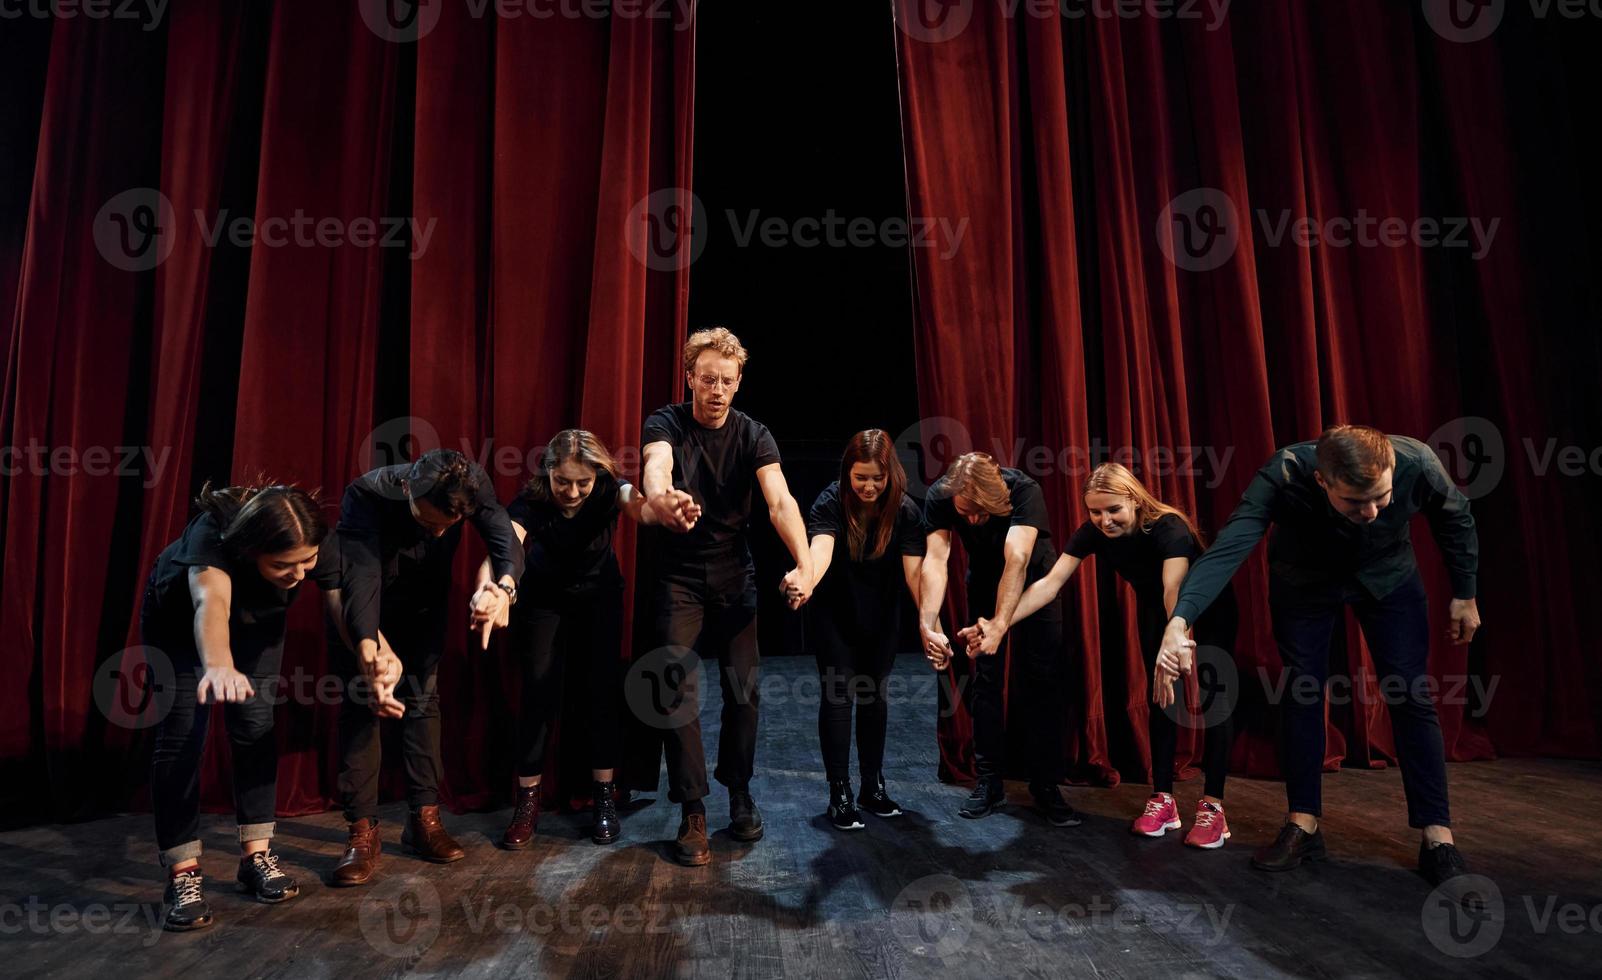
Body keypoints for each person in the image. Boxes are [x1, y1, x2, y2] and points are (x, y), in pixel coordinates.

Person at [1155, 425, 1481, 887]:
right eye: (1354, 502)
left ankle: (1438, 837)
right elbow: (1229, 549)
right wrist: (1179, 620)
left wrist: (1464, 593)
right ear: (1322, 482)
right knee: (1302, 691)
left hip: (1388, 577)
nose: (1370, 512)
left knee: (1410, 693)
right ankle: (1303, 824)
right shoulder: (1284, 473)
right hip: (1304, 581)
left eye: (1381, 498)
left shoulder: (1418, 461)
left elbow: (1456, 516)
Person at [964, 463, 1240, 847]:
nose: (1104, 520)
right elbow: (1049, 583)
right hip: (1155, 610)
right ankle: (1163, 798)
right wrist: (999, 623)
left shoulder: (1168, 527)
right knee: (1162, 698)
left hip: (1206, 607)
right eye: (1095, 511)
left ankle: (1213, 807)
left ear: (1134, 499)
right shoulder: (1092, 533)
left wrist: (1177, 640)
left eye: (1113, 510)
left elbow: (1174, 588)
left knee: (1214, 703)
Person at [637, 327, 813, 866]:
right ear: (690, 377)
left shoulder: (754, 435)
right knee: (674, 688)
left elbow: (779, 500)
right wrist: (662, 497)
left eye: (727, 382)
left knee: (744, 688)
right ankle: (693, 808)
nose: (716, 390)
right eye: (707, 379)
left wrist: (805, 564)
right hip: (679, 575)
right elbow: (656, 465)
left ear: (738, 385)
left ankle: (738, 789)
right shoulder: (666, 421)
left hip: (734, 572)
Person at [142, 483, 339, 931]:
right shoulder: (212, 537)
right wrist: (217, 665)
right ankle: (182, 873)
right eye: (283, 565)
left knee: (255, 725)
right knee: (182, 736)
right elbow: (210, 603)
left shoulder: (309, 542)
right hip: (177, 623)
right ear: (251, 551)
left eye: (306, 561)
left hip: (256, 621)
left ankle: (256, 856)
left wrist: (375, 648)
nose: (299, 574)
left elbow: (342, 596)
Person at [479, 429, 689, 848]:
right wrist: (492, 589)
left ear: (597, 477)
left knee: (601, 696)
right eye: (563, 482)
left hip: (599, 598)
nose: (572, 491)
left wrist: (662, 509)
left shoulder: (610, 488)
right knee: (538, 694)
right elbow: (507, 547)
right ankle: (527, 803)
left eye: (582, 483)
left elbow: (639, 509)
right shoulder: (534, 498)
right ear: (549, 474)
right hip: (543, 601)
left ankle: (604, 798)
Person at [330, 448, 525, 885]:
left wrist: (504, 588)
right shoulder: (367, 494)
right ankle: (361, 832)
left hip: (424, 606)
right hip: (366, 607)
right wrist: (369, 647)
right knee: (365, 704)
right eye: (428, 523)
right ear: (407, 491)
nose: (439, 534)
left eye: (449, 527)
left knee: (424, 700)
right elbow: (360, 578)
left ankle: (424, 820)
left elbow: (502, 536)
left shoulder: (472, 482)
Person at [918, 452, 1078, 826]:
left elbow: (1018, 559)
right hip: (985, 583)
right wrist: (928, 622)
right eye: (965, 513)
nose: (971, 521)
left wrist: (998, 625)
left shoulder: (1023, 491)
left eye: (980, 513)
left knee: (1042, 681)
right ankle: (989, 781)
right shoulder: (941, 496)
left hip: (1037, 583)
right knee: (985, 681)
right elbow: (936, 560)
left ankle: (1045, 784)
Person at [786, 430, 926, 831]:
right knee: (838, 698)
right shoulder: (831, 501)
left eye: (877, 478)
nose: (868, 486)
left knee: (873, 697)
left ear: (890, 476)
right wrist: (805, 581)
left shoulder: (905, 510)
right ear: (848, 473)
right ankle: (840, 792)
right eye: (860, 477)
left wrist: (928, 624)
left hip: (882, 617)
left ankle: (872, 786)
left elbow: (916, 575)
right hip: (835, 616)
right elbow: (821, 552)